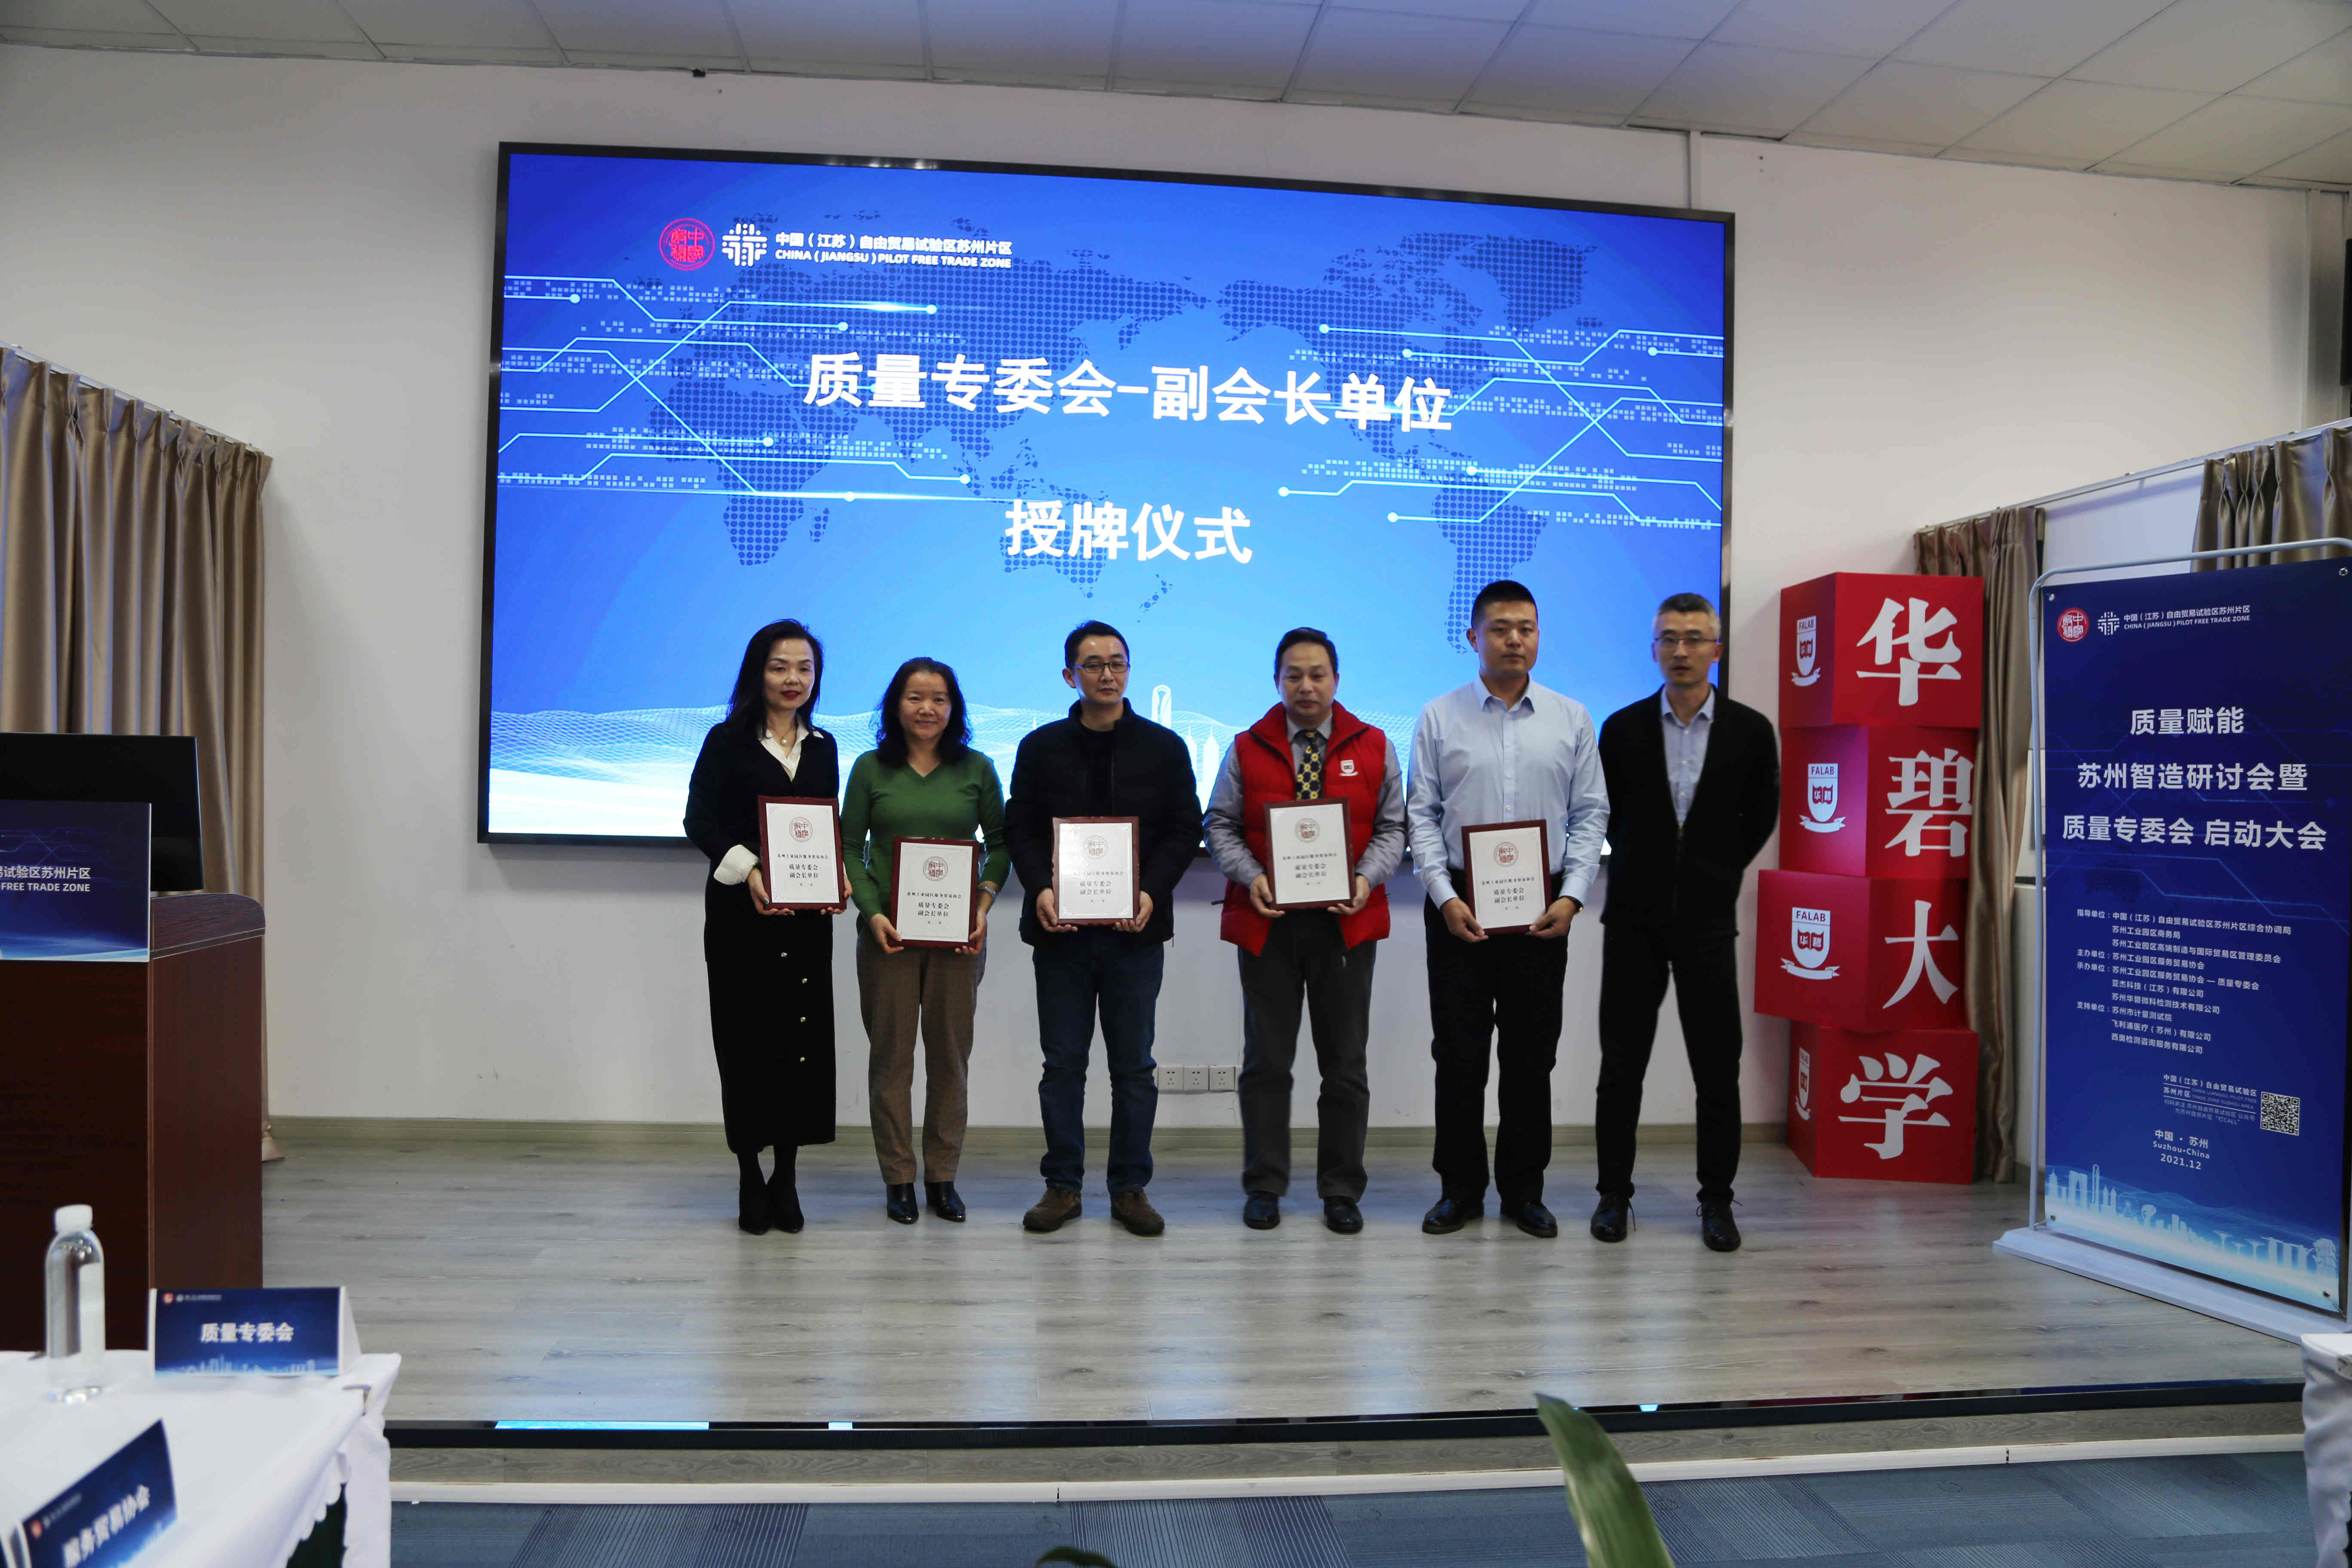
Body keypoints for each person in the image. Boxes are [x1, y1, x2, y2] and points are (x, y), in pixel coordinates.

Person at [1406, 580, 1608, 1240]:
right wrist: (1445, 897)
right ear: (1473, 637)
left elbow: (1591, 815)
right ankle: (1459, 1191)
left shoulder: (1571, 718)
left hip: (1543, 907)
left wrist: (1572, 895)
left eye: (1526, 628)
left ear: (1539, 635)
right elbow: (1421, 816)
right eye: (1500, 629)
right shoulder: (1439, 717)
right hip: (1460, 905)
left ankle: (1525, 1193)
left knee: (1531, 1058)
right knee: (1458, 1057)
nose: (1514, 639)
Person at [1593, 593, 1779, 1253]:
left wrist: (1716, 873)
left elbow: (1761, 815)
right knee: (1621, 1067)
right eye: (1669, 639)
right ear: (1653, 650)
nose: (1681, 651)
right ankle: (1613, 1196)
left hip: (1707, 924)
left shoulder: (1750, 731)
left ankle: (1717, 1201)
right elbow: (1606, 815)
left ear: (1716, 650)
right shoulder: (1622, 729)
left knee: (1717, 1069)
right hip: (1632, 921)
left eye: (1695, 639)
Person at [1205, 628, 1406, 1234]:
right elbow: (1219, 824)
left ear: (1336, 680)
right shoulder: (1246, 747)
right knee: (1266, 1063)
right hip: (1269, 925)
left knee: (1344, 1066)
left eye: (1318, 674)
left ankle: (1341, 1189)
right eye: (1293, 675)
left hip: (1346, 927)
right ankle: (1264, 1186)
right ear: (1277, 681)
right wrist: (1254, 877)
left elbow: (1393, 828)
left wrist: (1366, 879)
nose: (1306, 686)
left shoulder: (1375, 746)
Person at [1004, 620, 1201, 1236]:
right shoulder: (1040, 747)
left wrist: (1150, 891)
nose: (1107, 674)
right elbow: (1019, 828)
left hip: (1135, 935)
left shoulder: (1165, 748)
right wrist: (1040, 887)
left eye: (1117, 662)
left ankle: (1130, 1188)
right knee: (1063, 1066)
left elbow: (1185, 830)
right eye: (1093, 664)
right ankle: (1063, 1186)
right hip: (1060, 936)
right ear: (1070, 675)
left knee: (1134, 1068)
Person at [682, 619, 842, 1236]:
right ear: (758, 673)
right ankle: (750, 1175)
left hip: (805, 923)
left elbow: (825, 827)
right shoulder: (726, 741)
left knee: (800, 1047)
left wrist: (837, 877)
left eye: (805, 668)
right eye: (780, 667)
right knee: (746, 1045)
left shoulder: (824, 746)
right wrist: (750, 871)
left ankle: (787, 1176)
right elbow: (699, 821)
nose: (793, 679)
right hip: (740, 921)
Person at [841, 657, 1008, 1227]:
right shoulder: (870, 768)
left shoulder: (977, 768)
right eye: (915, 697)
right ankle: (898, 1178)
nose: (927, 709)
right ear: (895, 705)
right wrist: (872, 914)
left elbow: (1002, 846)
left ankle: (942, 1176)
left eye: (939, 699)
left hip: (959, 940)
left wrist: (982, 906)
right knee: (891, 1061)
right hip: (887, 937)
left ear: (954, 708)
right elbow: (848, 849)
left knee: (950, 1060)